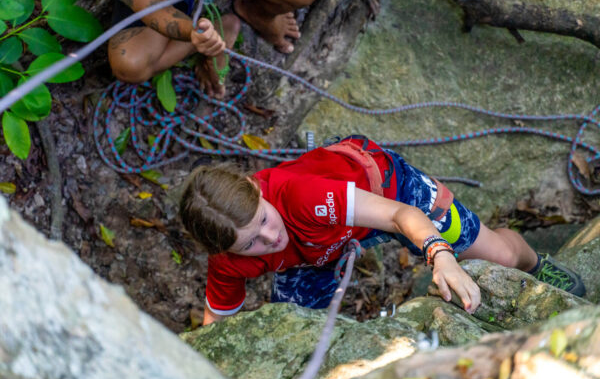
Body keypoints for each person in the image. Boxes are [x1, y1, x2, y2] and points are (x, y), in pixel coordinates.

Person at [179, 135, 586, 325]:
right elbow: (217, 320)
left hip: (388, 192)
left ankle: (535, 265)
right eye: (252, 243)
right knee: (299, 322)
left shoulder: (300, 196)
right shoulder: (228, 263)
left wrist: (441, 256)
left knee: (502, 257)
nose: (270, 238)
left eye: (263, 220)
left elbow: (398, 215)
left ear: (255, 189)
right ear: (227, 252)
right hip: (316, 248)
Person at [108, 0, 319, 98]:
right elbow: (159, 13)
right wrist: (196, 34)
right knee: (130, 65)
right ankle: (215, 31)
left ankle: (257, 12)